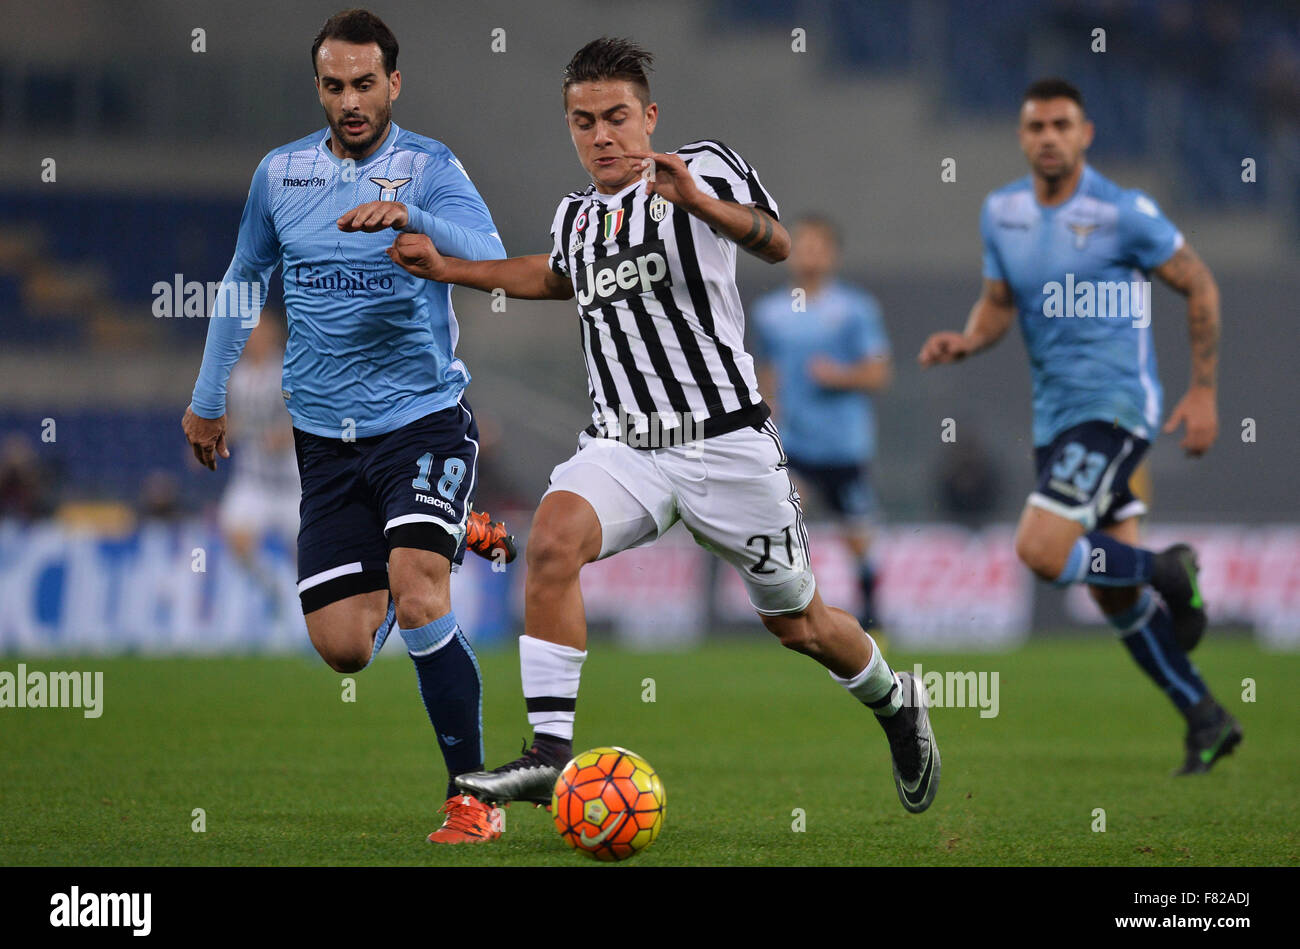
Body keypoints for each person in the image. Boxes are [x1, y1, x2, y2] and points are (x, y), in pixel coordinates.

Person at [385, 37, 940, 816]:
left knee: (801, 623)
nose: (601, 136)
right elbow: (551, 275)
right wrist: (451, 268)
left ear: (649, 117)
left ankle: (894, 702)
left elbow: (776, 244)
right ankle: (549, 753)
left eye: (616, 118)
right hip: (624, 446)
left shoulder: (702, 167)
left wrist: (701, 204)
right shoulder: (577, 216)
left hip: (727, 442)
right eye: (584, 122)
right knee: (551, 543)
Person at [182, 9, 517, 844]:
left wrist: (413, 222)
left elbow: (489, 249)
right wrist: (208, 395)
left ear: (393, 83)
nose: (350, 100)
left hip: (423, 421)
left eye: (365, 84)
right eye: (334, 85)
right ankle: (446, 528)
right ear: (320, 88)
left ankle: (472, 798)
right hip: (325, 441)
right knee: (343, 647)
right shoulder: (280, 174)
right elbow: (242, 280)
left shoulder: (430, 167)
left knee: (417, 587)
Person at [919, 78, 1240, 775]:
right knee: (1113, 595)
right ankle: (1206, 717)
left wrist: (1206, 392)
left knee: (1039, 550)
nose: (1049, 137)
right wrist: (969, 341)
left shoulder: (1125, 213)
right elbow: (999, 303)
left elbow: (1199, 283)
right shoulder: (1000, 212)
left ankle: (1168, 569)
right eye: (1036, 126)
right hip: (1055, 422)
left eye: (1062, 124)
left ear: (1086, 134)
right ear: (1022, 135)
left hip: (1117, 411)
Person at [751, 216, 892, 628]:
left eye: (818, 245)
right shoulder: (771, 312)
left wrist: (840, 376)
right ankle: (792, 614)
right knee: (782, 521)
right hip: (793, 442)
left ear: (833, 254)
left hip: (844, 444)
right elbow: (768, 372)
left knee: (859, 538)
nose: (809, 253)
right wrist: (766, 411)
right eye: (803, 244)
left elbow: (879, 374)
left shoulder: (855, 309)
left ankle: (872, 617)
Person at [216, 312, 301, 639]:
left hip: (291, 484)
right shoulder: (237, 376)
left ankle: (305, 617)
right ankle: (272, 587)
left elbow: (307, 416)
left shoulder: (288, 370)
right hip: (252, 480)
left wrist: (286, 435)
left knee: (305, 558)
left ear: (272, 335)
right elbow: (237, 421)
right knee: (236, 537)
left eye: (257, 332)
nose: (251, 338)